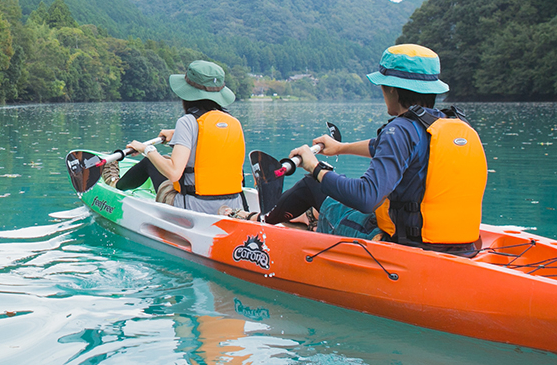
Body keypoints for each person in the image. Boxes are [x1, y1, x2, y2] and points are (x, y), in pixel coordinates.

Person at [243, 44, 487, 256]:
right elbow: (387, 149)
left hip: (408, 246)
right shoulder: (454, 126)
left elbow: (367, 198)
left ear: (391, 89)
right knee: (330, 182)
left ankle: (258, 225)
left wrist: (314, 167)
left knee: (313, 184)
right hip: (462, 245)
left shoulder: (400, 130)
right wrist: (341, 147)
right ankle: (312, 217)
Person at [104, 60, 247, 215]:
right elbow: (210, 151)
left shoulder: (187, 122)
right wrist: (177, 135)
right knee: (164, 159)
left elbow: (174, 173)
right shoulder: (234, 123)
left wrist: (146, 149)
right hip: (231, 206)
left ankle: (115, 185)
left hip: (194, 207)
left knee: (150, 162)